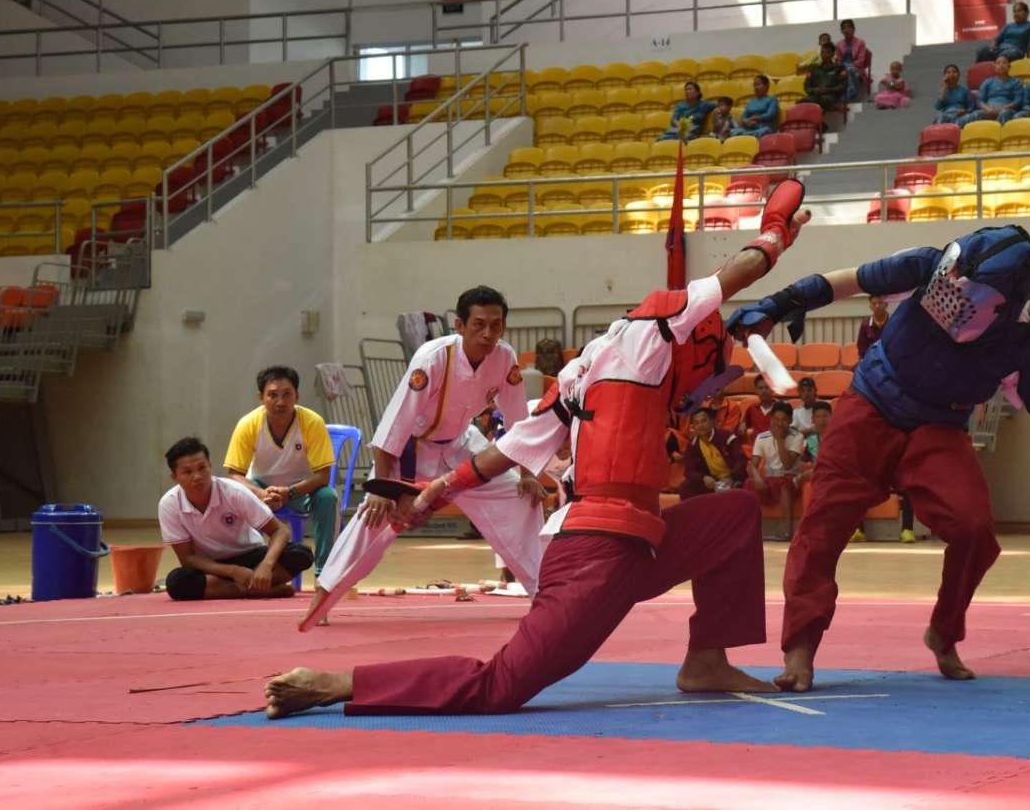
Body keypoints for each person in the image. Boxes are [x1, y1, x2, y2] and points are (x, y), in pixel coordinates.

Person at [263, 182, 812, 719]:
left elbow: (503, 451)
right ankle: (339, 683)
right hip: (595, 551)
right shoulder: (654, 330)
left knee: (734, 514)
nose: (702, 386)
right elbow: (742, 269)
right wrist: (776, 233)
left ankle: (707, 659)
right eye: (710, 364)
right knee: (498, 686)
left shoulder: (580, 373)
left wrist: (437, 489)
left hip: (638, 540)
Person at [727, 224, 1030, 690]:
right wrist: (779, 304)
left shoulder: (1022, 346)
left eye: (964, 289)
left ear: (1003, 306)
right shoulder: (926, 263)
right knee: (822, 527)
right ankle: (800, 650)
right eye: (950, 277)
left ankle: (944, 632)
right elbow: (849, 280)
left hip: (937, 428)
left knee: (975, 531)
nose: (949, 290)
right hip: (869, 409)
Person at [300, 285, 543, 628]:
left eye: (496, 325)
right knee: (373, 516)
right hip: (412, 448)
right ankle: (324, 593)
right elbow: (394, 426)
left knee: (521, 497)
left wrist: (528, 474)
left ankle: (545, 594)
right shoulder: (433, 358)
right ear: (460, 325)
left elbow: (519, 420)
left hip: (461, 444)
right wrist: (384, 489)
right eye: (479, 324)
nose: (488, 334)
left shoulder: (505, 357)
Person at [160, 437, 313, 601]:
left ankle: (237, 587)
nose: (197, 476)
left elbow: (280, 531)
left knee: (300, 553)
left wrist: (266, 565)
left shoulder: (234, 492)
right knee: (177, 582)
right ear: (174, 476)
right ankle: (263, 590)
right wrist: (232, 571)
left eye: (202, 468)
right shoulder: (169, 504)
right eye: (187, 472)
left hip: (250, 556)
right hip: (212, 567)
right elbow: (188, 558)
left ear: (210, 466)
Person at [224, 366, 338, 576]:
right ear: (261, 397)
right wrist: (260, 493)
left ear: (297, 396)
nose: (280, 402)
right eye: (272, 395)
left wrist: (290, 492)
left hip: (301, 491)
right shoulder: (248, 424)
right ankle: (251, 566)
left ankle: (324, 572)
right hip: (261, 489)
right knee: (238, 494)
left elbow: (323, 476)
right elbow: (234, 474)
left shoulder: (312, 422)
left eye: (287, 394)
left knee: (328, 497)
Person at [679, 406, 750, 498]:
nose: (700, 425)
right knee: (685, 487)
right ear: (693, 427)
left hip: (733, 478)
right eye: (696, 423)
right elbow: (689, 470)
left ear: (712, 422)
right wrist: (703, 477)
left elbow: (741, 460)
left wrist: (732, 477)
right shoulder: (693, 445)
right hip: (712, 481)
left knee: (742, 486)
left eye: (703, 421)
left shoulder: (726, 436)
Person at [961, 54, 1023, 126]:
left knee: (1004, 113)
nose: (1001, 65)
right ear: (995, 67)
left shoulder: (1016, 82)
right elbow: (980, 100)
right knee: (975, 114)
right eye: (998, 63)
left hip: (1007, 110)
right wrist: (988, 109)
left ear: (1009, 66)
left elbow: (1018, 100)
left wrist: (1005, 107)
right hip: (989, 110)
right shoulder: (988, 82)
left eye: (1004, 63)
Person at [802, 42, 848, 112]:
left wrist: (828, 90)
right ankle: (834, 107)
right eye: (822, 52)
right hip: (816, 95)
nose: (824, 55)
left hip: (831, 96)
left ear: (832, 54)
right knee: (802, 102)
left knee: (825, 100)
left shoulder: (839, 68)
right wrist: (816, 90)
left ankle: (834, 107)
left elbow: (842, 87)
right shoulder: (814, 69)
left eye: (827, 52)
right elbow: (807, 88)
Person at [836, 19, 872, 103]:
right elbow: (839, 61)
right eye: (844, 28)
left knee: (850, 70)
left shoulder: (860, 43)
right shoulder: (838, 44)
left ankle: (851, 93)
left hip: (857, 69)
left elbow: (861, 61)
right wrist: (844, 67)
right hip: (843, 69)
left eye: (849, 27)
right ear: (841, 31)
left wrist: (848, 66)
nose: (846, 30)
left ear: (853, 29)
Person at [742, 372, 779, 442]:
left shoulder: (781, 408)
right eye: (760, 388)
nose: (764, 391)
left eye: (767, 387)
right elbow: (743, 427)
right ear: (756, 391)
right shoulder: (751, 408)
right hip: (756, 446)